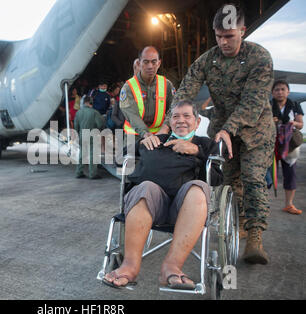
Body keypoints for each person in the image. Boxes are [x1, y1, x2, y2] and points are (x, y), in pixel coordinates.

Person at [171, 4, 276, 264]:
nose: (223, 42)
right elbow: (186, 91)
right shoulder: (208, 60)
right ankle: (236, 225)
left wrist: (229, 128)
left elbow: (252, 103)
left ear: (243, 30)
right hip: (222, 131)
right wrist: (169, 123)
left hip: (255, 131)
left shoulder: (260, 58)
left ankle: (254, 238)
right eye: (218, 36)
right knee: (227, 181)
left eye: (229, 36)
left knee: (252, 178)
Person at [102, 101, 223, 289]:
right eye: (176, 117)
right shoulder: (158, 139)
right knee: (146, 187)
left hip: (185, 208)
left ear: (197, 122)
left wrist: (197, 152)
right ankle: (129, 267)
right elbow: (121, 158)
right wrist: (142, 141)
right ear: (170, 122)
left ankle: (171, 267)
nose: (181, 121)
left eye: (186, 116)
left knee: (198, 188)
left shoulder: (205, 144)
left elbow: (216, 178)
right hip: (148, 204)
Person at [119, 46, 175, 147]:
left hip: (160, 136)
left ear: (159, 63)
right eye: (146, 62)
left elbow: (173, 109)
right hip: (134, 137)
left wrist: (165, 128)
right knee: (130, 162)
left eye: (154, 62)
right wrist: (145, 133)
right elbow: (132, 115)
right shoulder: (128, 87)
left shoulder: (167, 85)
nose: (150, 66)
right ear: (139, 63)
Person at [271, 79, 304, 215]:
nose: (280, 92)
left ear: (288, 91)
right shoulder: (268, 106)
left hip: (289, 145)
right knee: (267, 175)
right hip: (271, 144)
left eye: (283, 89)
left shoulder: (295, 105)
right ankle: (262, 205)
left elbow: (300, 124)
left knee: (290, 174)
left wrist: (293, 123)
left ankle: (289, 204)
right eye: (277, 89)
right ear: (272, 93)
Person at [74, 96, 105, 179]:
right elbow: (100, 124)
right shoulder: (94, 112)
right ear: (90, 103)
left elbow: (76, 126)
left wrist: (79, 133)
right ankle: (93, 174)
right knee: (92, 154)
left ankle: (79, 172)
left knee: (82, 154)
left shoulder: (78, 112)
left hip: (82, 135)